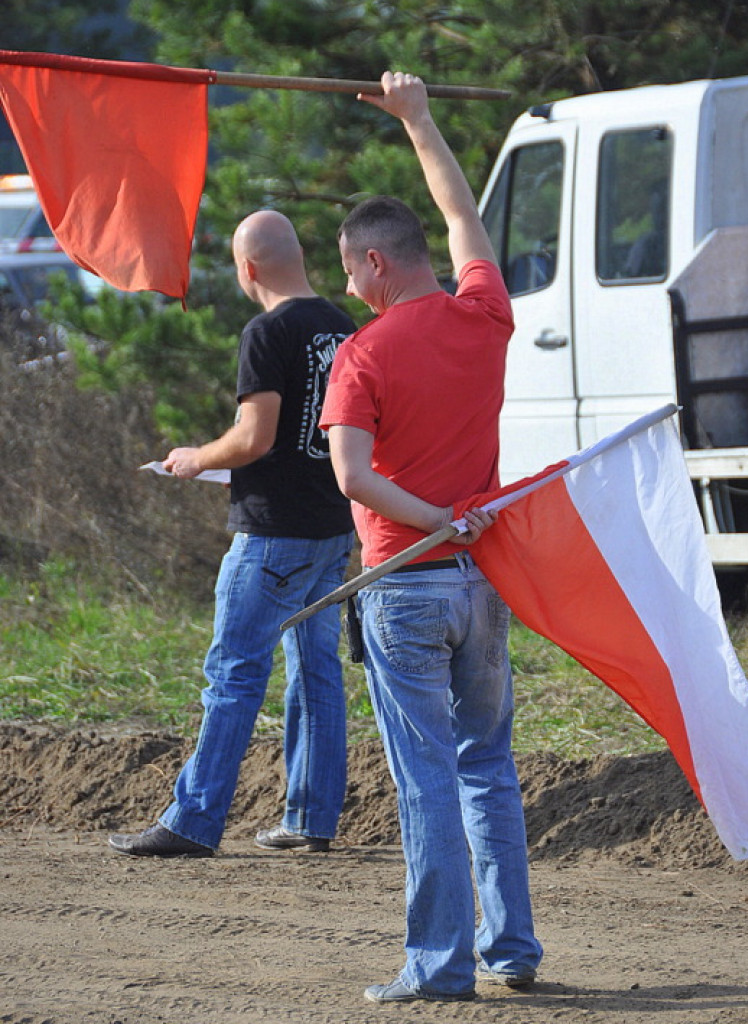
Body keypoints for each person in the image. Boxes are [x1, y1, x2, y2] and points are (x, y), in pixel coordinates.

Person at [320, 72, 543, 1002]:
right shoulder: (484, 317)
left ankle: (439, 965)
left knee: (424, 780)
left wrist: (432, 518)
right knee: (487, 767)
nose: (345, 286)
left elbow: (352, 477)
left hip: (405, 582)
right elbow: (462, 216)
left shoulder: (361, 355)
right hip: (480, 582)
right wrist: (419, 121)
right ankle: (512, 948)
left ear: (374, 264)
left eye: (346, 269)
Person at [109, 210, 356, 858]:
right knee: (315, 670)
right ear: (299, 254)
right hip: (333, 529)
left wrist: (195, 458)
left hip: (274, 535)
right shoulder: (340, 325)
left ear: (248, 269)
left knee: (234, 675)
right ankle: (311, 816)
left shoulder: (266, 332)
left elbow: (255, 438)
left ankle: (193, 820)